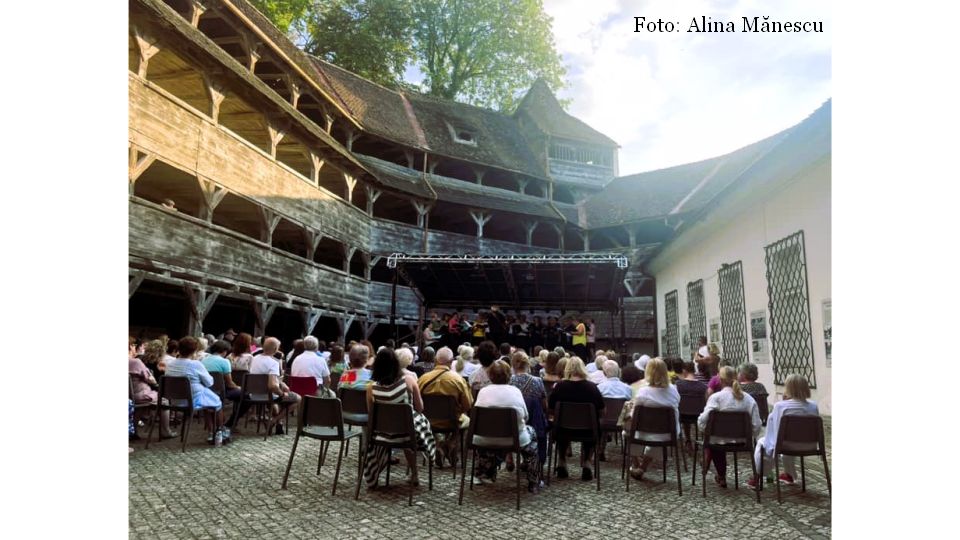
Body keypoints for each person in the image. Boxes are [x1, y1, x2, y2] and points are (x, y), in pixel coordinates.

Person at [363, 348, 436, 489]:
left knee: (401, 429)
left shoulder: (371, 389)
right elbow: (420, 408)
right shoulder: (409, 381)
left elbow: (372, 415)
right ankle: (415, 473)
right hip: (407, 434)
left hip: (383, 435)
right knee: (411, 429)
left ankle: (374, 473)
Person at [473, 360, 543, 493]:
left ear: (490, 375)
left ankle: (484, 471)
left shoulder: (483, 391)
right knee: (532, 434)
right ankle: (533, 479)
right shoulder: (515, 391)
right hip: (513, 438)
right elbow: (525, 416)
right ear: (508, 375)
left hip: (485, 438)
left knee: (491, 438)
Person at [747, 374, 819, 489]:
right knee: (788, 442)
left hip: (785, 444)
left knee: (763, 443)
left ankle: (758, 476)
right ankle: (789, 475)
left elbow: (774, 433)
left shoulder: (781, 406)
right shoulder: (813, 406)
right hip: (810, 445)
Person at [697, 366, 762, 488]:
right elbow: (756, 425)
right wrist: (749, 435)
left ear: (720, 380)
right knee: (716, 440)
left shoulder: (716, 398)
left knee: (715, 442)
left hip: (718, 441)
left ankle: (721, 475)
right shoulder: (748, 399)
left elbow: (702, 421)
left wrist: (704, 430)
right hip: (742, 441)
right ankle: (721, 476)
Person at [547, 357, 605, 481]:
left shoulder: (559, 387)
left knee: (560, 426)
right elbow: (601, 412)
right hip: (588, 430)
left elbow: (551, 409)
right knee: (594, 425)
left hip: (563, 430)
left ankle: (561, 461)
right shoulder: (592, 388)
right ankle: (587, 463)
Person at [625, 357, 680, 480]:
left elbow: (635, 415)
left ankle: (636, 464)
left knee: (627, 429)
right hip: (668, 433)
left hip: (643, 432)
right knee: (656, 435)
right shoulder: (673, 391)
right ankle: (643, 466)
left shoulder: (643, 392)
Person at [418, 346, 473, 468]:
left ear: (436, 360)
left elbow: (417, 404)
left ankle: (439, 445)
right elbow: (467, 405)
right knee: (469, 421)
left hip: (429, 421)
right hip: (452, 420)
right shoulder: (458, 379)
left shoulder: (422, 379)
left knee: (434, 423)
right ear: (451, 361)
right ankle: (452, 444)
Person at [165, 336, 224, 443]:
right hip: (192, 400)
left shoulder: (170, 364)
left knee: (209, 399)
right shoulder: (196, 364)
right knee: (216, 401)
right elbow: (210, 382)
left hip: (174, 400)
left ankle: (212, 432)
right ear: (194, 351)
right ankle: (218, 431)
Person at [248, 337, 300, 434]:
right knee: (297, 399)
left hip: (253, 394)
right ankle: (274, 420)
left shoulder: (253, 359)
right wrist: (282, 394)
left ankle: (279, 423)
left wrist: (280, 383)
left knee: (275, 401)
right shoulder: (273, 363)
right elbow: (272, 386)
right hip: (267, 395)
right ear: (276, 349)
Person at [128, 337, 175, 439]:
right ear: (130, 347)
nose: (135, 347)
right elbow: (150, 379)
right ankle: (165, 431)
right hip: (141, 394)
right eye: (133, 345)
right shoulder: (135, 362)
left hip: (130, 395)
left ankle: (133, 431)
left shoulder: (138, 360)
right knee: (164, 402)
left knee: (140, 406)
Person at [509, 351, 549, 468]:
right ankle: (535, 461)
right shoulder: (537, 381)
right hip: (535, 423)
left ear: (513, 365)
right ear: (528, 365)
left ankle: (513, 457)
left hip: (514, 422)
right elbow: (544, 405)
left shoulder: (510, 381)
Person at [202, 339, 242, 437]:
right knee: (243, 395)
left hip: (206, 390)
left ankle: (211, 431)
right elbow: (229, 383)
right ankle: (230, 423)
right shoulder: (224, 362)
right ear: (224, 351)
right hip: (221, 391)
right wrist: (238, 387)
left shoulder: (203, 360)